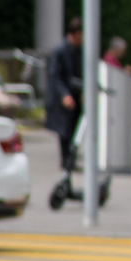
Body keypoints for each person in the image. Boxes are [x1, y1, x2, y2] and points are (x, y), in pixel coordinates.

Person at [45, 17, 86, 180]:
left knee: (74, 129)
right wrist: (64, 95)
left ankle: (71, 160)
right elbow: (54, 75)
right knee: (64, 131)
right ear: (77, 34)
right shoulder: (60, 50)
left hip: (75, 95)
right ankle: (66, 161)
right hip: (64, 97)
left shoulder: (79, 50)